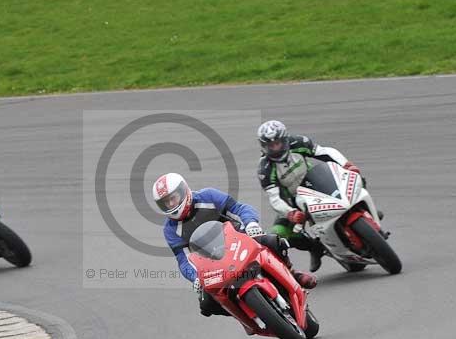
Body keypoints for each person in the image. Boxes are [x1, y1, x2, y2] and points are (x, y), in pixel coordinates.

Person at [152, 172, 317, 317]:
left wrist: (251, 223)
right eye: (166, 202)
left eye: (173, 198)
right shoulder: (170, 230)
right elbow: (183, 259)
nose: (171, 204)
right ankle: (245, 314)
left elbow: (239, 208)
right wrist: (195, 277)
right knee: (206, 305)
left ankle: (293, 274)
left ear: (183, 191)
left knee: (273, 242)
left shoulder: (208, 196)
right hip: (212, 263)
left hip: (239, 240)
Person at [256, 119, 364, 272]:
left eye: (277, 143)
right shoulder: (264, 168)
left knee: (354, 177)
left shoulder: (298, 142)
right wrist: (290, 213)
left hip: (315, 182)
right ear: (264, 146)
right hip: (292, 201)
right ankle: (315, 248)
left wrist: (346, 164)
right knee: (278, 234)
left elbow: (324, 152)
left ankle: (362, 207)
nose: (275, 148)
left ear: (285, 139)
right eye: (270, 145)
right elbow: (274, 199)